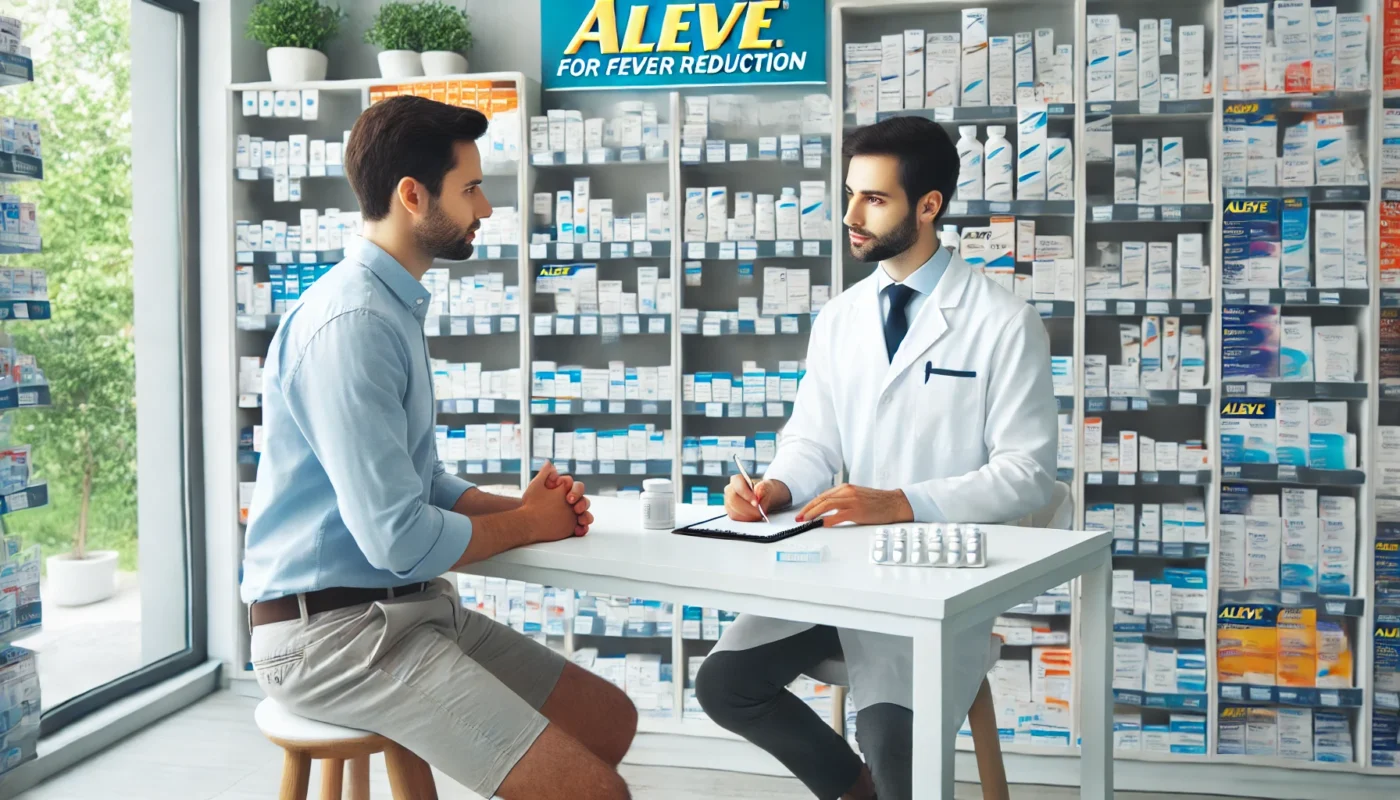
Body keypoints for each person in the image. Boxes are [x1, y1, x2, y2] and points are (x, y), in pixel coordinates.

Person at [241, 95, 635, 800]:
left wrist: (521, 507)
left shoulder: (390, 304)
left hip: (403, 609)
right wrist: (529, 524)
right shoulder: (354, 322)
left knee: (609, 721)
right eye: (472, 188)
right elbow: (399, 538)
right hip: (332, 638)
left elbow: (421, 482)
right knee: (597, 792)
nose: (485, 208)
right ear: (412, 195)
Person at [693, 115, 1058, 800]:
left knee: (895, 741)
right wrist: (774, 487)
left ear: (929, 207)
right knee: (724, 683)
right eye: (851, 194)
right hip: (841, 568)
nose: (849, 215)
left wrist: (904, 503)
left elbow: (1028, 474)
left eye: (874, 199)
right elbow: (813, 440)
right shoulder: (841, 317)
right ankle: (851, 791)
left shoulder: (1003, 321)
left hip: (935, 580)